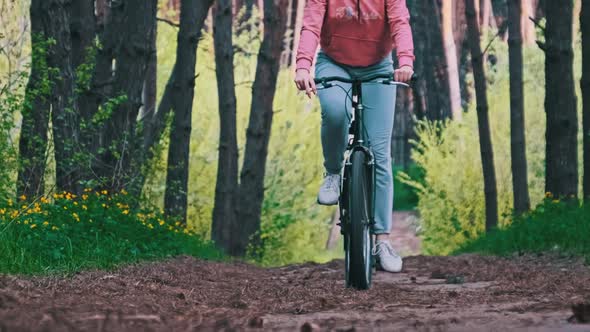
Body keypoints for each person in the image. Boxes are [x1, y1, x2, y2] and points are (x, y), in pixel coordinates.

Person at [294, 0, 415, 273]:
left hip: (378, 66)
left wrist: (405, 61)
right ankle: (333, 173)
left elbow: (400, 23)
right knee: (336, 112)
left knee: (380, 152)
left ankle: (382, 240)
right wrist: (303, 65)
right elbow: (311, 25)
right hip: (334, 64)